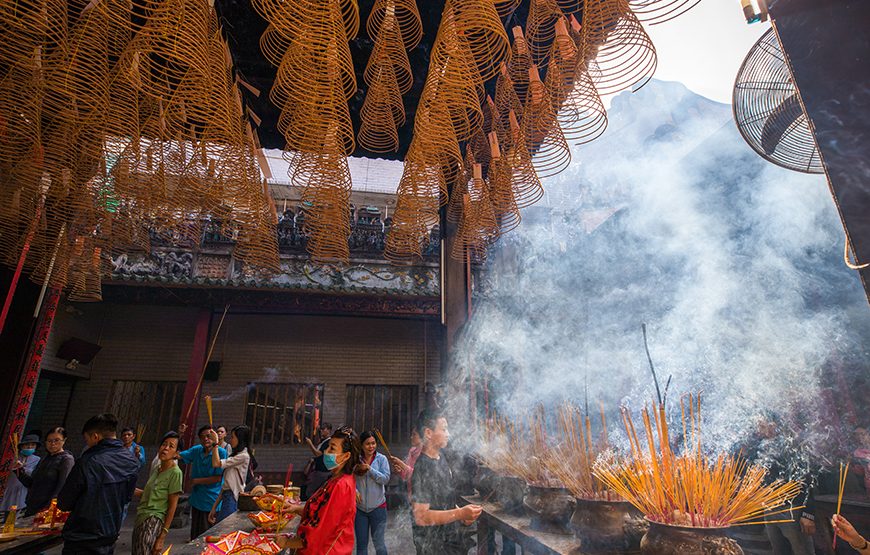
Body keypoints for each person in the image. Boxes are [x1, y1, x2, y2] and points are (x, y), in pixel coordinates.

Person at [57, 414, 139, 555]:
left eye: (87, 439)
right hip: (110, 533)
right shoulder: (131, 460)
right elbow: (127, 497)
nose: (87, 444)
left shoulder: (87, 462)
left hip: (82, 537)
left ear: (95, 436)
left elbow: (65, 502)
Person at [277, 426, 360, 554]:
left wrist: (287, 543)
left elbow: (321, 530)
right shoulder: (335, 479)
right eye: (327, 447)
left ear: (346, 456)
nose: (326, 452)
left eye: (332, 448)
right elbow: (321, 512)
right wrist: (296, 509)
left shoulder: (341, 486)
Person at [411, 410, 482, 555]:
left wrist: (463, 518)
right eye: (443, 429)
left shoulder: (441, 457)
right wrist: (459, 513)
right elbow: (421, 517)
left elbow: (445, 501)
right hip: (432, 544)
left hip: (449, 539)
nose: (448, 434)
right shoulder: (423, 467)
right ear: (428, 433)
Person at [132, 431, 183, 555]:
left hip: (153, 521)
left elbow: (172, 506)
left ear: (177, 453)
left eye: (171, 446)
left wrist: (162, 537)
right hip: (140, 518)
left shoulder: (175, 473)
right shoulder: (156, 468)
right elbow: (150, 494)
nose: (165, 448)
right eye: (164, 444)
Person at [177, 424, 227, 539]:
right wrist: (179, 435)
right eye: (202, 437)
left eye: (209, 436)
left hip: (211, 500)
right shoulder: (197, 450)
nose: (205, 439)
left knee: (208, 536)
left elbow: (218, 478)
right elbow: (179, 455)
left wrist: (196, 481)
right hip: (197, 498)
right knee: (195, 534)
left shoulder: (221, 452)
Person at [15, 427, 75, 516]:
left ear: (64, 440)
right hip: (32, 507)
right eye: (49, 441)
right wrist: (18, 470)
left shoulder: (66, 459)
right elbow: (32, 483)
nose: (53, 444)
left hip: (46, 511)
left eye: (57, 440)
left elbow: (62, 488)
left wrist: (49, 509)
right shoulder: (45, 459)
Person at [354, 431, 391, 555]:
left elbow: (385, 479)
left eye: (373, 443)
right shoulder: (355, 459)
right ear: (361, 445)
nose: (371, 446)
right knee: (361, 546)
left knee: (379, 545)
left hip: (378, 508)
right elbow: (349, 478)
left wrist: (370, 469)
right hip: (360, 510)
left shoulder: (382, 459)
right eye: (367, 444)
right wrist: (354, 491)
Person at [208, 425, 251, 524]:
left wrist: (215, 444)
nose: (231, 440)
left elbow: (216, 463)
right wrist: (214, 507)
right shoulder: (236, 456)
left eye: (233, 437)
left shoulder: (243, 456)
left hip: (232, 499)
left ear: (240, 439)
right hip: (227, 497)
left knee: (224, 530)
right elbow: (225, 486)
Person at [2, 434, 40, 515]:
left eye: (33, 445)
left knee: (15, 511)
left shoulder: (37, 459)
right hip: (9, 486)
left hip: (22, 488)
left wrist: (23, 468)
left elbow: (33, 474)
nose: (30, 447)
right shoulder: (13, 457)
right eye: (27, 445)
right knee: (5, 508)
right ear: (21, 446)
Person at [303, 422, 334, 500]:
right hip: (319, 471)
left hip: (323, 472)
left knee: (310, 492)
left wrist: (310, 443)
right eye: (321, 429)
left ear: (329, 430)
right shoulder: (323, 441)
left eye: (323, 429)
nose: (321, 431)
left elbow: (318, 454)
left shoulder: (328, 442)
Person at [390, 426, 423, 496]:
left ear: (422, 437)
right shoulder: (412, 451)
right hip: (411, 492)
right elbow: (407, 475)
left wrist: (401, 464)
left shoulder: (424, 453)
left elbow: (418, 475)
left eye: (414, 434)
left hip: (422, 493)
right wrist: (400, 471)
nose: (411, 437)